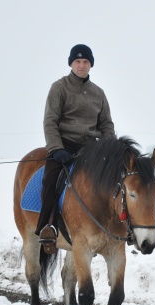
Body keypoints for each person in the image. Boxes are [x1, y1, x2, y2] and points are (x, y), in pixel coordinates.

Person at [36, 43, 116, 253]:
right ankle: (48, 227)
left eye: (86, 62)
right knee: (50, 180)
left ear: (91, 65)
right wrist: (56, 148)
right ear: (71, 63)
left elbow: (106, 124)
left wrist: (110, 149)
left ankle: (116, 227)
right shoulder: (59, 87)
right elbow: (50, 121)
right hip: (64, 146)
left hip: (91, 149)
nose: (81, 65)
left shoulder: (98, 93)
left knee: (115, 180)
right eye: (78, 61)